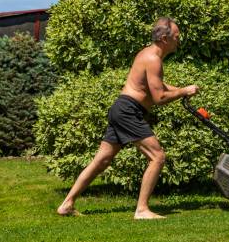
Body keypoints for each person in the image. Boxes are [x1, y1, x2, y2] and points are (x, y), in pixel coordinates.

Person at [57, 17, 199, 219]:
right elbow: (159, 97)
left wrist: (183, 91)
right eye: (176, 36)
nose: (179, 40)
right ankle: (142, 210)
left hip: (121, 108)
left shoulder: (148, 54)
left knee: (102, 160)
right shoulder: (153, 59)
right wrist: (184, 90)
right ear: (165, 38)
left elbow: (158, 86)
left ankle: (67, 204)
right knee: (158, 157)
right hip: (128, 111)